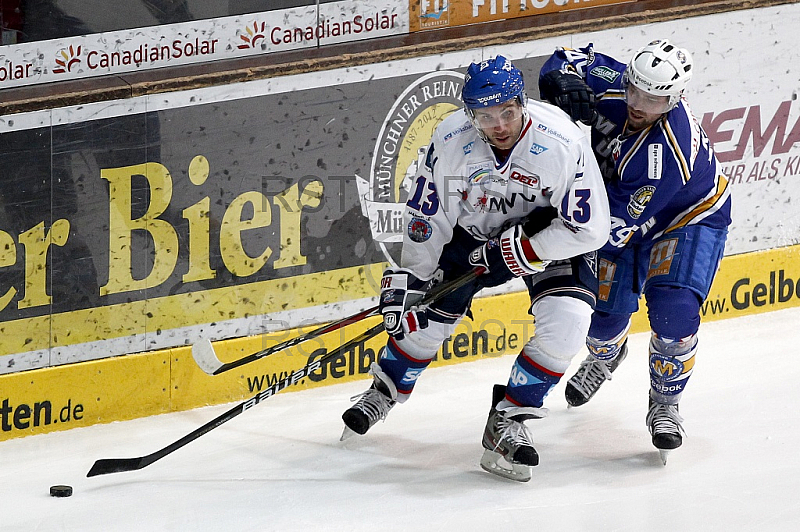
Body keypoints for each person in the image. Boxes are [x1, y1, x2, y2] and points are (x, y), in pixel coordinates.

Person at [340, 55, 611, 482]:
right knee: (424, 315)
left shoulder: (560, 140)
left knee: (571, 322)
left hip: (549, 232)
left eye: (506, 111)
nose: (499, 124)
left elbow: (591, 229)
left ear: (522, 102)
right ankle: (385, 389)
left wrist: (526, 249)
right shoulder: (452, 140)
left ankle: (509, 420)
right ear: (471, 116)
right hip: (473, 233)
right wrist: (413, 277)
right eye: (485, 116)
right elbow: (429, 216)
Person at [538, 39, 732, 463]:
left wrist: (547, 236)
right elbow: (566, 57)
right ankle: (606, 355)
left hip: (687, 218)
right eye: (634, 90)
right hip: (618, 207)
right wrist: (559, 77)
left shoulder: (666, 152)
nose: (638, 104)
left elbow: (611, 229)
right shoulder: (618, 82)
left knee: (673, 310)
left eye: (653, 99)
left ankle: (665, 403)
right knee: (602, 318)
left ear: (676, 98)